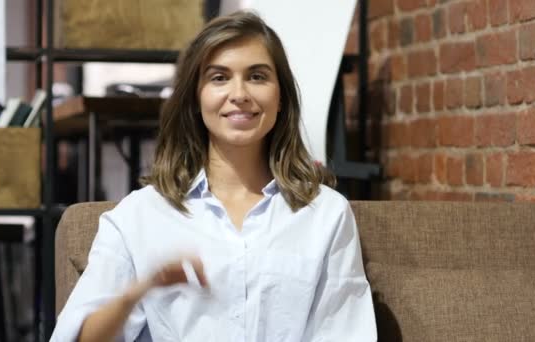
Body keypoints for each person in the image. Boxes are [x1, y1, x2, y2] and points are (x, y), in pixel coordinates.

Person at [51, 10, 376, 342]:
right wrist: (139, 291)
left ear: (281, 99)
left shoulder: (326, 215)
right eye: (219, 78)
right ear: (195, 98)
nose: (239, 94)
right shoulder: (138, 217)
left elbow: (346, 333)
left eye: (258, 77)